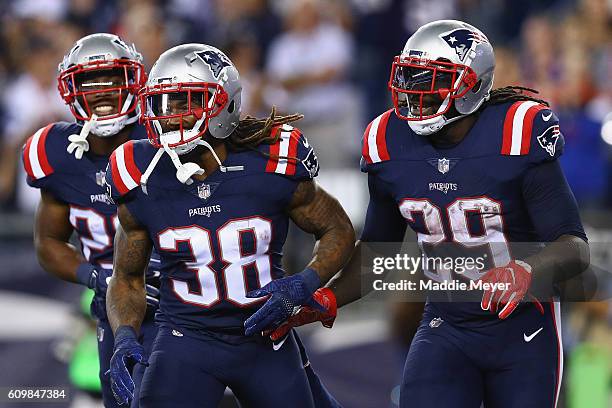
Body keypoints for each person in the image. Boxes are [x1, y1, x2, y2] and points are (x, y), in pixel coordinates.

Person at [268, 20, 591, 408]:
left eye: (430, 80)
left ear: (471, 84)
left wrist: (527, 271)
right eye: (410, 78)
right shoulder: (387, 140)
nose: (413, 92)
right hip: (446, 324)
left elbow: (574, 246)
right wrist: (330, 297)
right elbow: (377, 253)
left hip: (524, 328)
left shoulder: (517, 131)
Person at [104, 43, 354, 408]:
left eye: (184, 101)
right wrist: (125, 335)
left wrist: (305, 282)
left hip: (265, 335)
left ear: (224, 104)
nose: (170, 116)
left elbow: (338, 229)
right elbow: (126, 278)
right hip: (185, 337)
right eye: (163, 103)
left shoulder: (270, 159)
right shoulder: (139, 172)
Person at [22, 33, 160, 408]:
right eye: (88, 81)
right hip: (116, 312)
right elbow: (48, 244)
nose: (101, 91)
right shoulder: (56, 153)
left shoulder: (167, 139)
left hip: (183, 304)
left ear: (133, 81)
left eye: (112, 79)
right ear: (70, 89)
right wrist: (98, 277)